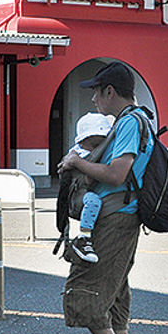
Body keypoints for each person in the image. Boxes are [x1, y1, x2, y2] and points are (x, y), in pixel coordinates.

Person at [58, 61, 157, 334]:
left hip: (114, 220)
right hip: (122, 218)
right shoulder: (139, 119)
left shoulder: (129, 123)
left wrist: (75, 162)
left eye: (97, 93)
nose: (95, 100)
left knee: (83, 295)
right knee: (114, 300)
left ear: (110, 92)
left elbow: (116, 174)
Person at [55, 112, 116, 264]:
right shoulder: (78, 155)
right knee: (93, 200)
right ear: (82, 141)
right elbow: (87, 179)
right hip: (80, 199)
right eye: (95, 145)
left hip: (87, 200)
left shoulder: (85, 154)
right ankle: (84, 237)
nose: (98, 149)